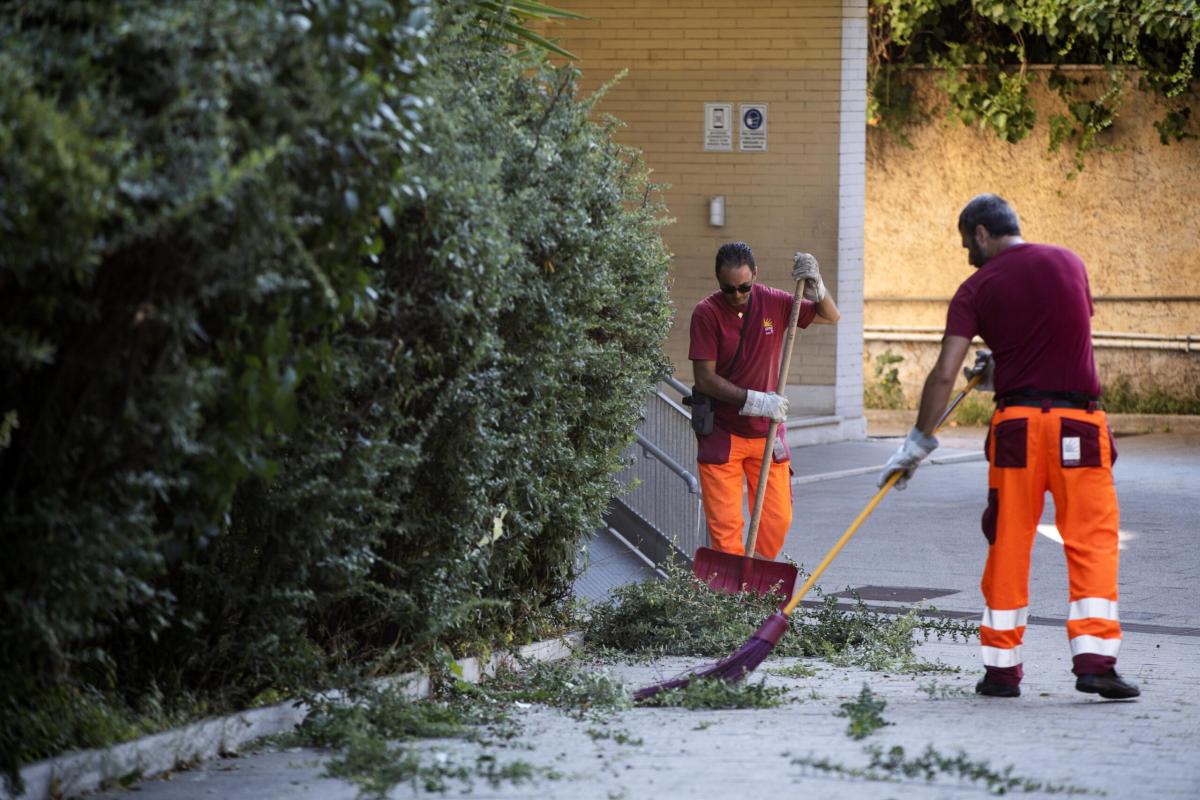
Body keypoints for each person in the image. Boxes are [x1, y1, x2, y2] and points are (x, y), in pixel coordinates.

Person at [879, 194, 1138, 700]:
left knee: (1009, 542)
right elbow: (1059, 338)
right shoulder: (1069, 262)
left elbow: (943, 374)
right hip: (1078, 424)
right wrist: (1004, 365)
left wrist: (916, 443)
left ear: (980, 233)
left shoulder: (975, 288)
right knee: (1092, 542)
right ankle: (1095, 663)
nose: (967, 256)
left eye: (966, 245)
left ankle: (1001, 671)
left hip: (1018, 428)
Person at [689, 242, 840, 559]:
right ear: (718, 282)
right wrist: (754, 400)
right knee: (726, 531)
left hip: (767, 435)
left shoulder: (775, 302)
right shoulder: (707, 313)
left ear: (755, 275)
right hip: (723, 435)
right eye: (728, 289)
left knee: (777, 521)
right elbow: (704, 378)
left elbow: (831, 315)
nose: (738, 296)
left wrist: (817, 285)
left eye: (744, 287)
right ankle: (731, 600)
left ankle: (754, 579)